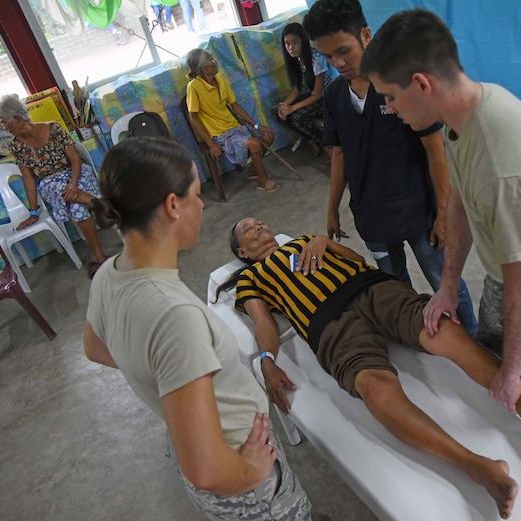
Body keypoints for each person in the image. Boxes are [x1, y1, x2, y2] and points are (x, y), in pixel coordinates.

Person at [217, 217, 521, 520]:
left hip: (372, 289)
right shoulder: (251, 279)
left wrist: (326, 242)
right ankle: (477, 466)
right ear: (242, 252)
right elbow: (264, 323)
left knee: (442, 332)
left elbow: (358, 262)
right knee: (375, 389)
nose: (259, 228)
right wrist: (266, 361)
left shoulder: (302, 242)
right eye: (248, 230)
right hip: (329, 325)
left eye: (259, 222)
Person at [360, 9, 521, 413]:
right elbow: (460, 205)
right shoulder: (464, 118)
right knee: (496, 384)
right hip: (510, 283)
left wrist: (512, 374)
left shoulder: (504, 163)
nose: (390, 108)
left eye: (390, 97)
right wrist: (448, 285)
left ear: (422, 84)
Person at [83, 139, 311, 521]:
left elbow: (95, 348)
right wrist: (250, 472)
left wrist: (169, 386)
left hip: (198, 438)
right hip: (238, 464)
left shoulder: (111, 272)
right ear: (173, 206)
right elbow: (206, 469)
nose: (202, 204)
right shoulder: (175, 315)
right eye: (195, 193)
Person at [303, 0, 477, 336]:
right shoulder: (336, 95)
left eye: (343, 51)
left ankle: (472, 337)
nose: (338, 63)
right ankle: (416, 337)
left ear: (365, 35)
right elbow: (338, 154)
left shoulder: (399, 86)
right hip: (372, 215)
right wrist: (333, 208)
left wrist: (442, 215)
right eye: (327, 57)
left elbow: (435, 150)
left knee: (445, 282)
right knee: (394, 284)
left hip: (418, 212)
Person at [0, 93, 108, 278]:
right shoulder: (17, 146)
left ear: (16, 119)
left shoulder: (53, 128)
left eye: (4, 122)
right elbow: (29, 179)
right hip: (51, 182)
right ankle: (104, 206)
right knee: (56, 188)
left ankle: (100, 256)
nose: (3, 127)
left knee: (77, 207)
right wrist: (32, 212)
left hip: (75, 174)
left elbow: (75, 159)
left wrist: (72, 184)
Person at [185, 48, 281, 193]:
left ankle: (254, 170)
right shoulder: (194, 87)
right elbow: (194, 119)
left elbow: (235, 105)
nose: (215, 62)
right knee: (254, 144)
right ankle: (262, 181)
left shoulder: (220, 78)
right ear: (204, 68)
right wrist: (210, 144)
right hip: (220, 134)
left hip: (236, 127)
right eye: (212, 60)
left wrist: (256, 125)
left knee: (268, 135)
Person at [277, 22, 338, 157]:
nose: (291, 47)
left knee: (297, 118)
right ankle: (313, 140)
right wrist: (285, 106)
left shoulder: (316, 59)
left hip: (330, 100)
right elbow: (295, 89)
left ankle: (328, 146)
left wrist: (292, 108)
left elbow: (317, 95)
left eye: (295, 42)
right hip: (317, 97)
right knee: (280, 113)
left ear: (303, 41)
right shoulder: (296, 60)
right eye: (287, 44)